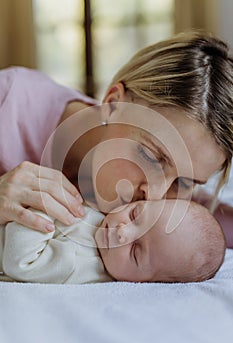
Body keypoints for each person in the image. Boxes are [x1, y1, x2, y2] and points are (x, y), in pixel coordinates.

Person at [0, 31, 233, 243]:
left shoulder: (180, 207)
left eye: (185, 183)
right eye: (151, 156)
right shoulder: (7, 101)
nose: (154, 196)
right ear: (112, 105)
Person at [0, 199, 226, 284]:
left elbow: (20, 262)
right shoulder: (100, 216)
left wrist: (42, 207)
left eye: (135, 251)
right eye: (135, 214)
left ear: (143, 283)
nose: (122, 232)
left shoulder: (80, 266)